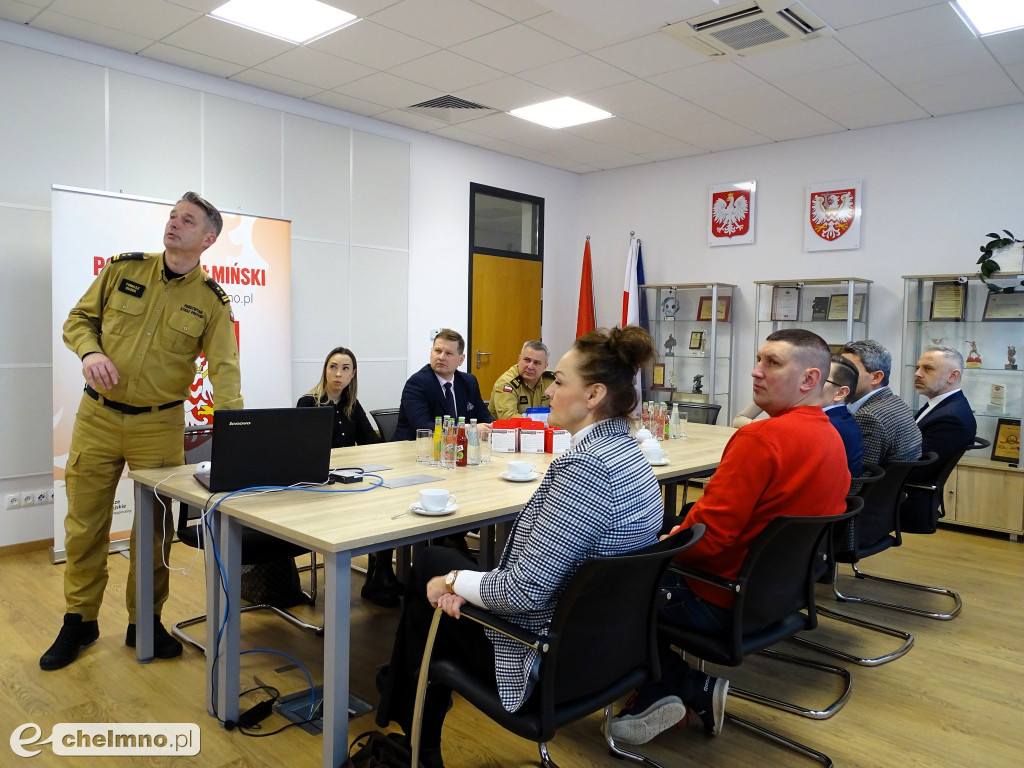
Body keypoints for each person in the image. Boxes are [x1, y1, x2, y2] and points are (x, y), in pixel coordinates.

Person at [375, 326, 664, 768]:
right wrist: (460, 582)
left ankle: (413, 737)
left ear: (594, 395)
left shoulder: (586, 468)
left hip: (544, 655)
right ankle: (404, 709)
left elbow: (521, 593)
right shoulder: (630, 454)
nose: (549, 391)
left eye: (559, 381)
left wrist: (451, 583)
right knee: (435, 561)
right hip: (608, 651)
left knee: (430, 584)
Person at [609, 329, 850, 746]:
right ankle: (666, 688)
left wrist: (666, 545)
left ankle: (681, 684)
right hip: (779, 596)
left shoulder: (760, 438)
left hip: (719, 598)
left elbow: (707, 540)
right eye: (758, 360)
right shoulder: (832, 437)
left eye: (772, 363)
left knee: (601, 587)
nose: (756, 371)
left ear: (809, 379)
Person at [42, 192, 242, 671]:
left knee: (152, 533)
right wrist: (90, 351)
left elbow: (225, 368)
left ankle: (145, 623)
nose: (174, 224)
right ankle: (79, 620)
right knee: (85, 525)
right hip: (98, 418)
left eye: (187, 220)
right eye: (173, 216)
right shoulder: (123, 270)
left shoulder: (211, 301)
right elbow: (78, 320)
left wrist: (237, 434)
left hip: (158, 424)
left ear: (208, 239)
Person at [297, 347, 401, 606]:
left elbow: (369, 441)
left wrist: (389, 454)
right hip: (319, 484)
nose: (338, 374)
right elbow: (303, 450)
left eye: (345, 369)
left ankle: (381, 572)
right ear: (325, 370)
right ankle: (380, 575)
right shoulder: (308, 403)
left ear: (353, 374)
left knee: (384, 501)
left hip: (347, 480)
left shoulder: (351, 403)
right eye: (333, 367)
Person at [901, 345, 977, 533]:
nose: (917, 374)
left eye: (928, 368)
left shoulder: (952, 417)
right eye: (917, 368)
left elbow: (916, 469)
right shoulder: (939, 405)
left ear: (953, 376)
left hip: (907, 500)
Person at [392, 329, 493, 441]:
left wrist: (495, 427)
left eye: (448, 353)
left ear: (461, 359)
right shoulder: (417, 383)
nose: (441, 357)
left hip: (455, 447)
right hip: (415, 447)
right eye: (438, 351)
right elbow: (424, 427)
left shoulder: (469, 382)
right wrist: (468, 429)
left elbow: (484, 415)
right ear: (431, 353)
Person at [841, 339, 922, 467]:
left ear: (876, 377)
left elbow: (859, 476)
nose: (838, 377)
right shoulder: (895, 402)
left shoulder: (868, 417)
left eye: (848, 371)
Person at [820, 355, 865, 482]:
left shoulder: (828, 426)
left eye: (821, 380)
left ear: (840, 393)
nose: (809, 384)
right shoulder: (842, 418)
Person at [487, 340, 555, 420]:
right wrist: (538, 420)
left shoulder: (551, 381)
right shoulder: (507, 383)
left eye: (536, 363)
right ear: (519, 359)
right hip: (507, 428)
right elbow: (508, 417)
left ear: (545, 366)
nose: (530, 367)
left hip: (541, 427)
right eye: (527, 360)